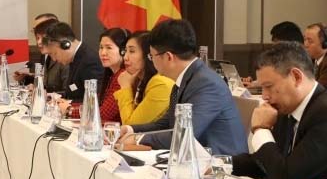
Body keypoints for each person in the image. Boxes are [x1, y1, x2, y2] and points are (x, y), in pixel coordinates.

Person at [230, 42, 327, 179]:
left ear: (296, 77)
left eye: (269, 86)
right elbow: (265, 162)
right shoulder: (289, 107)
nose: (264, 96)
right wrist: (221, 164)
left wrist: (261, 129)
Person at [122, 19, 246, 155]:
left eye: (151, 56)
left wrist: (138, 139)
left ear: (168, 57)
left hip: (222, 163)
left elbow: (184, 135)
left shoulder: (206, 83)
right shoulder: (188, 77)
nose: (151, 60)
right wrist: (131, 130)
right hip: (194, 158)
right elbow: (166, 123)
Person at [114, 30, 174, 126]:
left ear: (148, 55)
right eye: (125, 51)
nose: (125, 57)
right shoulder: (141, 80)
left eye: (132, 51)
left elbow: (131, 125)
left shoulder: (160, 83)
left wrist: (125, 87)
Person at [41, 22, 103, 108]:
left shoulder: (90, 61)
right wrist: (52, 96)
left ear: (65, 45)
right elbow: (73, 93)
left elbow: (94, 101)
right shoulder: (75, 58)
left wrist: (68, 104)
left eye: (54, 53)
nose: (54, 59)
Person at [18, 14, 66, 93]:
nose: (39, 41)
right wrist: (25, 79)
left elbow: (68, 92)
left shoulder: (64, 56)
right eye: (35, 30)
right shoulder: (45, 52)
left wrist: (42, 91)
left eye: (41, 29)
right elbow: (47, 83)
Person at [95, 28, 128, 123]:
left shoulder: (122, 77)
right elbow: (97, 103)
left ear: (123, 51)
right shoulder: (111, 75)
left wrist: (69, 110)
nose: (103, 53)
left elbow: (103, 114)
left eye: (109, 48)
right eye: (101, 47)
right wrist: (68, 106)